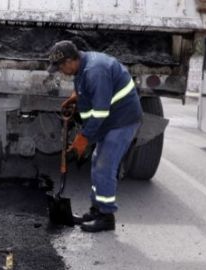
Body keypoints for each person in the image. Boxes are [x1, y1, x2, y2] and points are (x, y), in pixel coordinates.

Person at [48, 40, 142, 233]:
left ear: (70, 61)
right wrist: (77, 98)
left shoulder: (95, 71)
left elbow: (99, 113)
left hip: (122, 120)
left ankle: (107, 217)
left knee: (104, 166)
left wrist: (83, 138)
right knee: (97, 162)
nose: (60, 71)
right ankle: (96, 209)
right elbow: (87, 92)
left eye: (60, 67)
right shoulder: (82, 67)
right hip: (110, 119)